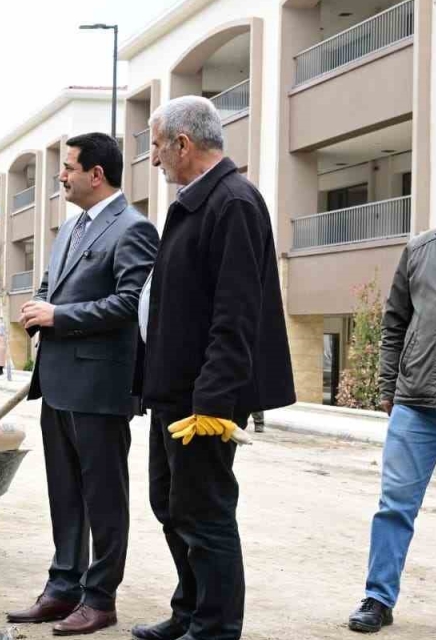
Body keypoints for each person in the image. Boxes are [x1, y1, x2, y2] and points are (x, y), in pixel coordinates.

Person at [135, 96, 294, 640]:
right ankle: (190, 611)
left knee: (205, 512)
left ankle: (216, 629)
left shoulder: (233, 203)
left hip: (202, 401)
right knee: (171, 505)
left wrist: (213, 404)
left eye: (158, 145)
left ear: (183, 144)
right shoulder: (194, 203)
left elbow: (236, 313)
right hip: (172, 393)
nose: (154, 157)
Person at [12, 132, 158, 636]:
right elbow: (51, 288)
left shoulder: (134, 229)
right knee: (65, 495)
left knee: (104, 499)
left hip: (100, 389)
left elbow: (130, 303)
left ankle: (100, 599)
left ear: (97, 174)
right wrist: (37, 308)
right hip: (56, 384)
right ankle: (62, 589)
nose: (61, 176)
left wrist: (59, 316)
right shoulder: (70, 228)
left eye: (69, 167)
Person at [347, 151, 436, 640]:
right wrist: (389, 387)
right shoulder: (421, 249)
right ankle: (378, 598)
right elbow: (394, 323)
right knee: (394, 507)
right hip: (416, 404)